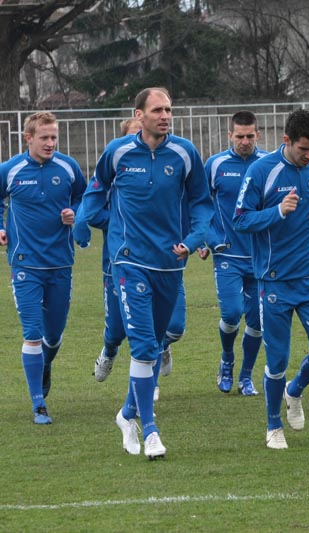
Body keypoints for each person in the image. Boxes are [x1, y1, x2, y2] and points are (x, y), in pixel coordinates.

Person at [75, 87, 213, 459]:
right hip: (128, 260)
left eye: (169, 109)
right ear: (139, 115)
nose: (165, 115)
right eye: (158, 110)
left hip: (169, 263)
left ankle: (126, 414)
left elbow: (202, 203)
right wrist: (84, 222)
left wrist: (195, 237)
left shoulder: (185, 153)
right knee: (144, 345)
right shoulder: (118, 152)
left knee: (157, 342)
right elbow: (95, 190)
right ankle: (150, 430)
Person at [232, 108, 309, 450]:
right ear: (286, 140)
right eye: (303, 149)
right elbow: (241, 220)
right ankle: (273, 425)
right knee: (276, 359)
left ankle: (295, 391)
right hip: (274, 281)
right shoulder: (263, 171)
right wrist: (277, 212)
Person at [89, 118, 186, 404]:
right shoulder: (117, 166)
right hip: (123, 263)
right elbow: (92, 209)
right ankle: (109, 351)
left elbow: (193, 203)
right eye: (135, 136)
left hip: (165, 261)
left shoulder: (175, 163)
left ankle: (155, 361)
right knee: (120, 331)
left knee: (175, 327)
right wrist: (123, 222)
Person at [0, 111, 86, 424]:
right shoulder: (10, 170)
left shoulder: (68, 167)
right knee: (33, 333)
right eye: (44, 137)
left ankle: (45, 364)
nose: (50, 143)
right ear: (28, 138)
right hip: (24, 264)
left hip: (61, 262)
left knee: (53, 335)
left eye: (54, 137)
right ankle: (38, 404)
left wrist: (74, 212)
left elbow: (85, 197)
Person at [205, 111, 269, 396]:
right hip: (227, 255)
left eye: (250, 136)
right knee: (231, 315)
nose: (245, 141)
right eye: (239, 136)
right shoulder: (215, 165)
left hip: (260, 257)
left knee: (257, 322)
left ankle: (246, 377)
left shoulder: (267, 164)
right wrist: (208, 240)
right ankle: (227, 359)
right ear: (229, 135)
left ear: (258, 134)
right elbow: (199, 206)